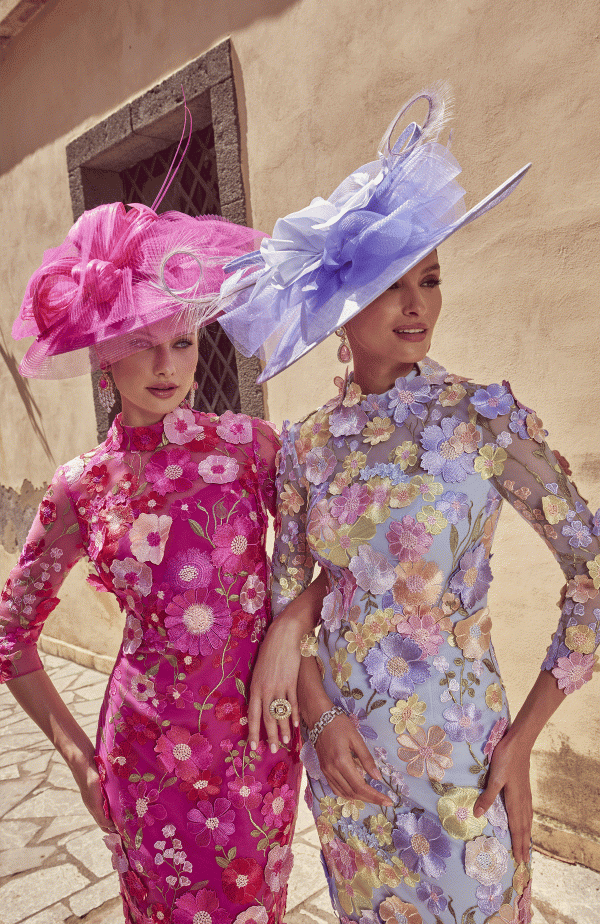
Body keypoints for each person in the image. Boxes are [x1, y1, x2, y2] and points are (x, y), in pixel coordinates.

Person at [217, 87, 600, 923]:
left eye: (428, 278)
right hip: (349, 761)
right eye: (391, 285)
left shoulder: (482, 417)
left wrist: (526, 733)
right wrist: (318, 721)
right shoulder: (308, 443)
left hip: (465, 751)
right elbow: (292, 603)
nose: (417, 304)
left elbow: (593, 574)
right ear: (339, 309)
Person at [0, 199, 326, 924]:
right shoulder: (81, 486)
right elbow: (9, 636)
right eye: (140, 342)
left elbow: (328, 560)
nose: (165, 365)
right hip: (144, 762)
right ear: (99, 348)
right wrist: (83, 764)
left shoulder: (250, 447)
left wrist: (287, 632)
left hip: (257, 749)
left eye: (181, 341)